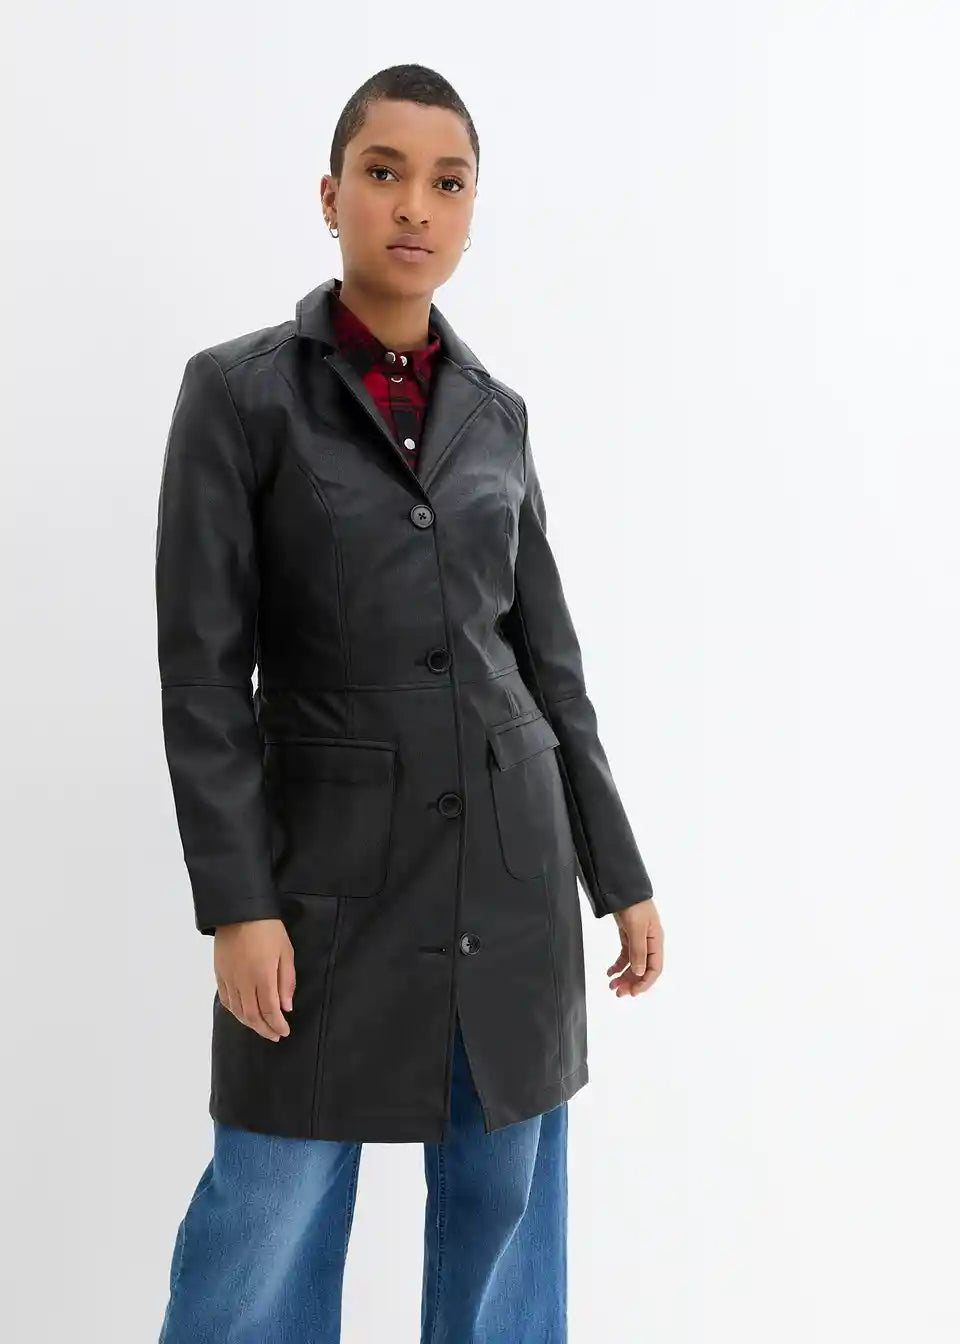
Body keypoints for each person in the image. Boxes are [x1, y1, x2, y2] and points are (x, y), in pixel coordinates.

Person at [154, 62, 664, 1344]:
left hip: (510, 876)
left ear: (474, 212)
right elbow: (204, 678)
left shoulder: (498, 417)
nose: (414, 206)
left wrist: (618, 873)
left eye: (448, 182)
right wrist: (237, 905)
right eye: (384, 173)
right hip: (324, 886)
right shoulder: (238, 396)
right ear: (332, 194)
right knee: (266, 1215)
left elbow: (550, 665)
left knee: (505, 1216)